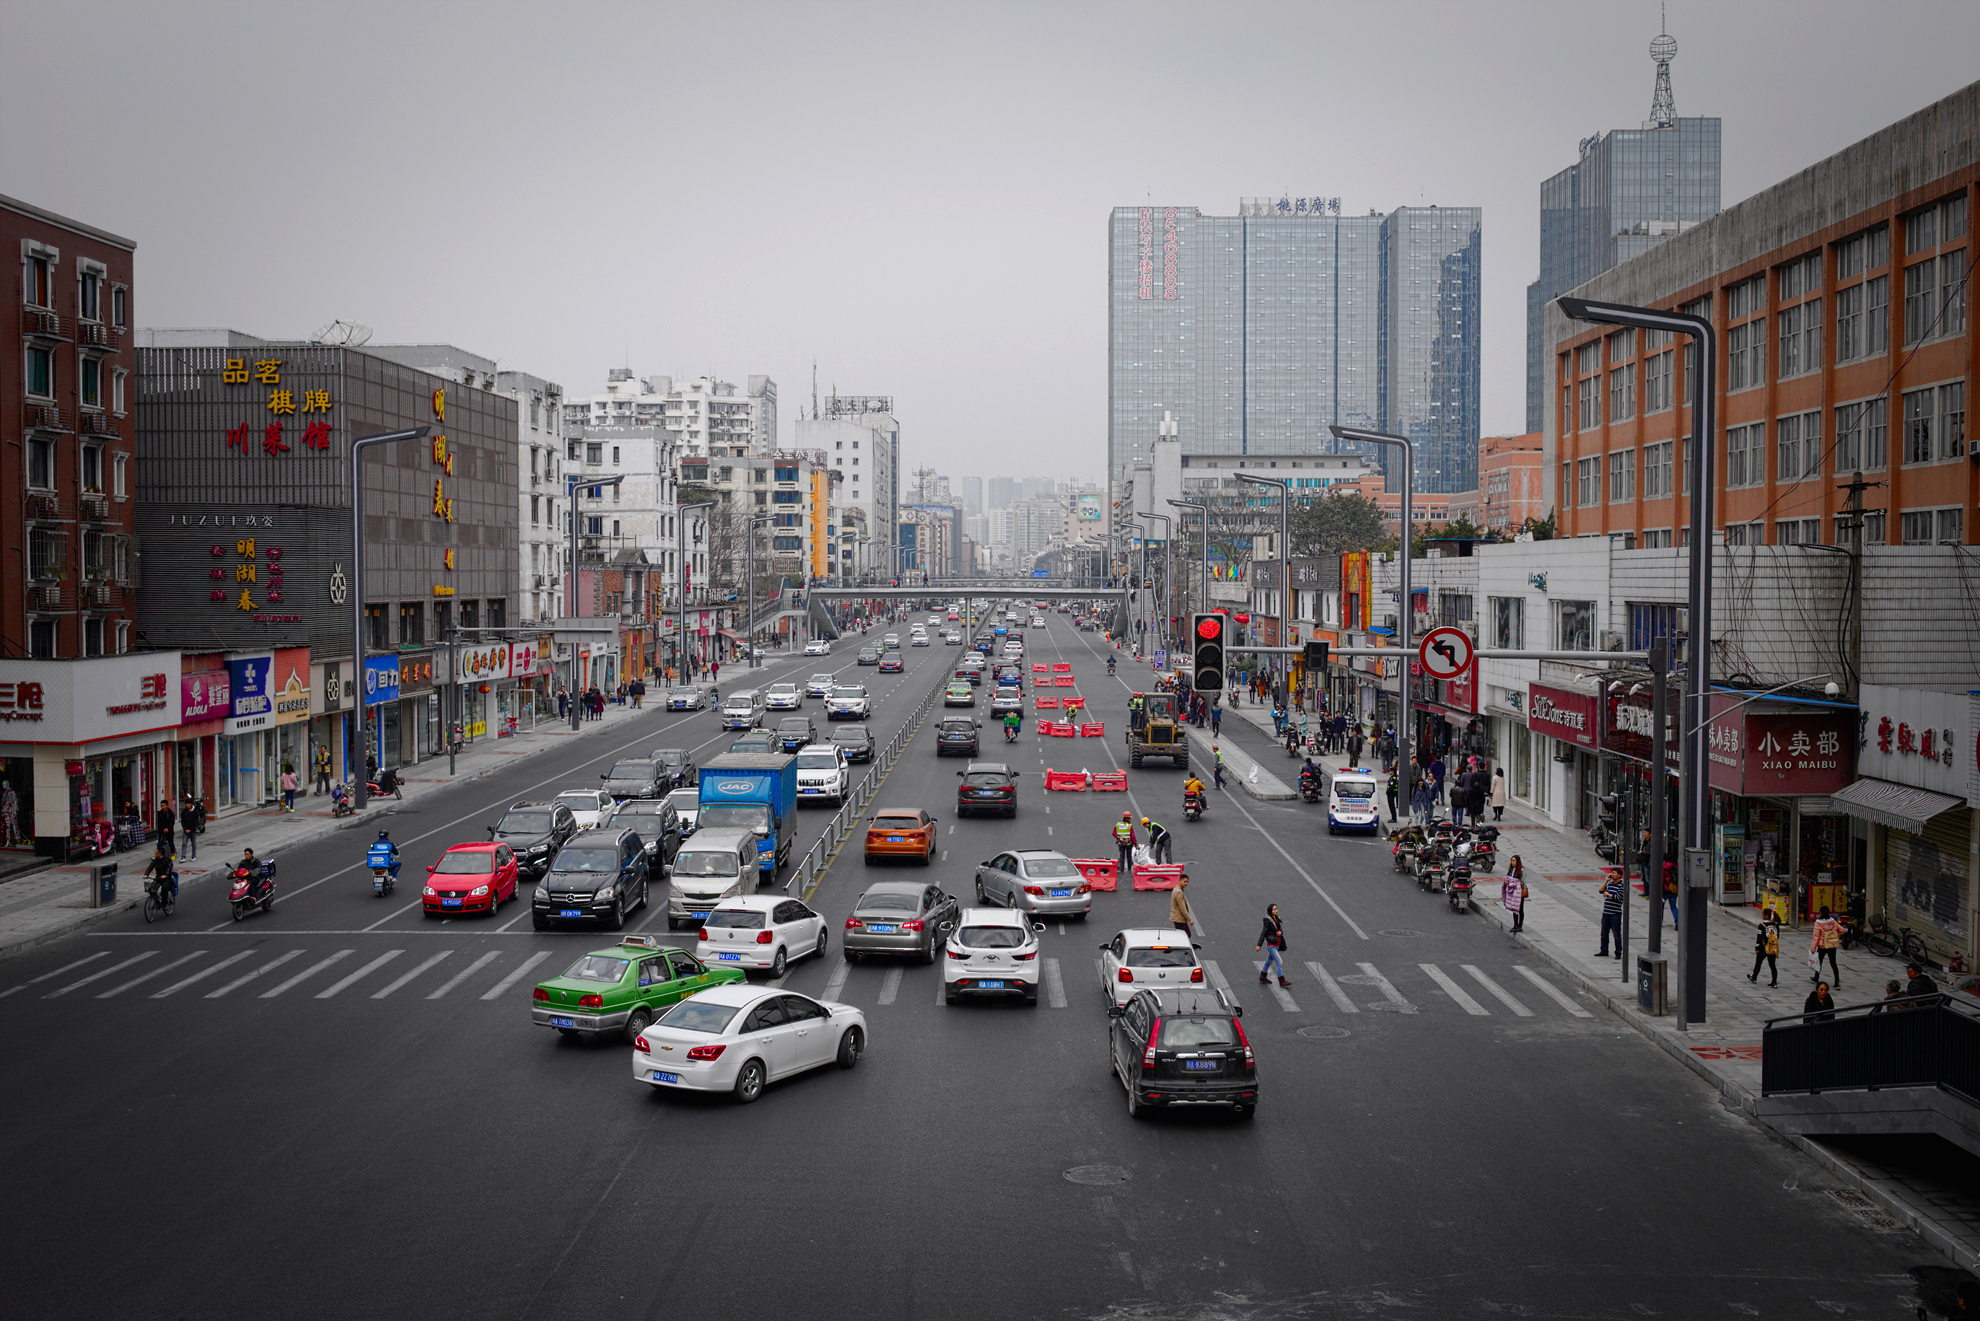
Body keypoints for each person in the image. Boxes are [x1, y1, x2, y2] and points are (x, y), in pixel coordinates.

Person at [1809, 906, 1842, 988]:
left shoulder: (1818, 923)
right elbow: (1841, 930)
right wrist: (1835, 936)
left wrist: (1813, 948)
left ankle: (1816, 978)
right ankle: (1837, 981)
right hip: (1832, 945)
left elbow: (1816, 937)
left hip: (1822, 946)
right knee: (1833, 963)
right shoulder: (1833, 922)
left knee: (1819, 962)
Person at [1256, 903, 1288, 987]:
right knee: (1279, 962)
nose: (1276, 911)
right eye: (1274, 909)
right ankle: (1282, 980)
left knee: (1269, 961)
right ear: (1270, 911)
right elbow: (1264, 933)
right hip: (1271, 945)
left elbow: (1280, 930)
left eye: (1276, 909)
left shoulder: (1277, 919)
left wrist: (1280, 933)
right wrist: (1259, 945)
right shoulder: (1268, 921)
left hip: (1277, 944)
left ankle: (1262, 976)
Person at [1597, 869, 1624, 959]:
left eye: (1614, 873)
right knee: (1604, 933)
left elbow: (1619, 897)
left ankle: (1618, 952)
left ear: (1619, 875)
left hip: (1615, 914)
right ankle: (1604, 950)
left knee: (1616, 934)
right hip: (1606, 913)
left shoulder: (1622, 885)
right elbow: (1601, 891)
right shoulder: (1610, 884)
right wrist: (1606, 881)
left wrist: (1608, 895)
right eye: (1611, 873)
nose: (1612, 874)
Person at [1748, 919, 1780, 987]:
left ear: (1766, 915)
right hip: (1772, 948)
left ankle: (1754, 977)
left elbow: (1759, 938)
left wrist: (1757, 948)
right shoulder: (1775, 925)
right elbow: (1777, 937)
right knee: (1772, 965)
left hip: (1763, 948)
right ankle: (1774, 982)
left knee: (1758, 963)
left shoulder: (1762, 925)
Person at [1504, 855, 1527, 932]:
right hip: (1513, 892)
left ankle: (1520, 926)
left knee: (1520, 909)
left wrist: (1515, 883)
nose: (1512, 862)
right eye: (1512, 860)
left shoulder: (1521, 870)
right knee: (1514, 908)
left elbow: (1523, 881)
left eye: (1514, 860)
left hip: (1519, 892)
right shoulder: (1511, 869)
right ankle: (1515, 925)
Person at [181, 793, 204, 860]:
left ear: (191, 804)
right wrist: (185, 829)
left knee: (193, 844)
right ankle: (183, 856)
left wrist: (190, 829)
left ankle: (193, 855)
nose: (187, 805)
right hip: (185, 830)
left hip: (192, 830)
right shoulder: (184, 811)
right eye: (186, 804)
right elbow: (182, 821)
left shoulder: (195, 812)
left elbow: (196, 822)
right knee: (184, 843)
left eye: (188, 804)